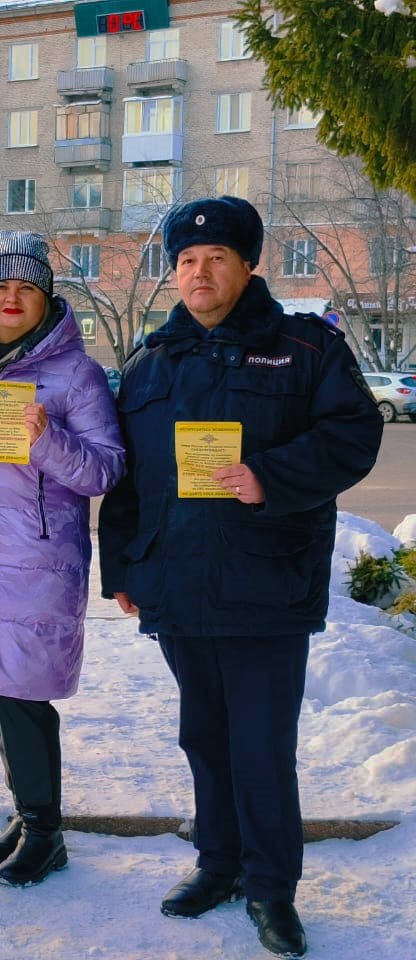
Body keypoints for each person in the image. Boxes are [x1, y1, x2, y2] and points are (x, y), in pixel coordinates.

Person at [98, 196, 383, 958]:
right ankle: (219, 864)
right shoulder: (154, 359)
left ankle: (271, 888)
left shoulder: (305, 348)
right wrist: (123, 565)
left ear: (247, 264)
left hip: (266, 584)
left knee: (260, 745)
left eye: (216, 257)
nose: (199, 272)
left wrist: (268, 475)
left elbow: (356, 433)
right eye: (186, 261)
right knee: (206, 737)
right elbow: (129, 477)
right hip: (180, 585)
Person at [0, 231, 124, 887]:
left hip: (39, 562)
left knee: (22, 699)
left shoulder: (75, 374)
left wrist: (49, 444)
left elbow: (105, 469)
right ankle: (29, 815)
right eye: (0, 287)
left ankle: (47, 833)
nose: (11, 298)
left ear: (45, 300)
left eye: (25, 288)